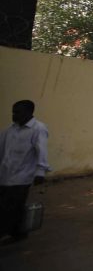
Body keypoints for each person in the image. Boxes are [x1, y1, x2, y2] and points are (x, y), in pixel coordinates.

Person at [0, 100, 50, 242]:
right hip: (5, 174)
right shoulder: (10, 130)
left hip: (22, 176)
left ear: (29, 113)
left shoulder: (38, 129)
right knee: (11, 205)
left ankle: (8, 232)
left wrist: (40, 172)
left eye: (18, 112)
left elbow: (42, 151)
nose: (14, 115)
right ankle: (17, 232)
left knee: (10, 206)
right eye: (13, 112)